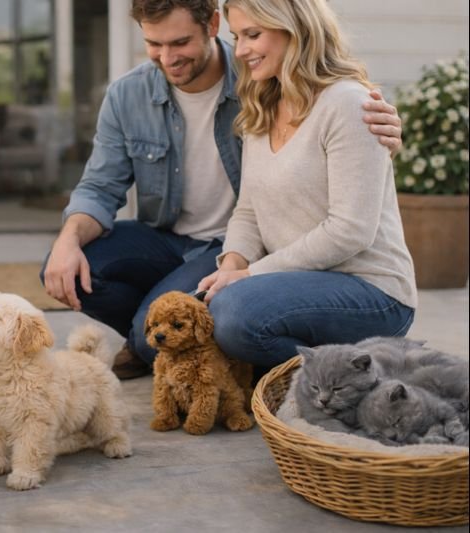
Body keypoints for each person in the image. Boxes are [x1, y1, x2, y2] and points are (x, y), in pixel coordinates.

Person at [41, 0, 403, 379]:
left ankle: (338, 376)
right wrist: (68, 240)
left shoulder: (259, 83)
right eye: (154, 44)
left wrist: (245, 272)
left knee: (201, 324)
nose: (167, 58)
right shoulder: (262, 97)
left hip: (264, 254)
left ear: (211, 24)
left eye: (179, 42)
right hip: (179, 239)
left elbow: (349, 221)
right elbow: (101, 186)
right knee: (72, 264)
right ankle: (167, 328)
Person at [195, 0, 416, 368]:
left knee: (235, 315)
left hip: (372, 291)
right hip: (299, 283)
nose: (242, 49)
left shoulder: (348, 104)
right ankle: (330, 371)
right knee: (205, 303)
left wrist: (250, 276)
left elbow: (350, 231)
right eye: (237, 36)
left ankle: (359, 381)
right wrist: (232, 264)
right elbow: (248, 209)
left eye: (253, 34)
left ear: (293, 29)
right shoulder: (263, 104)